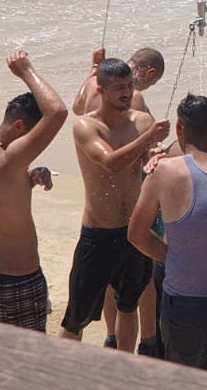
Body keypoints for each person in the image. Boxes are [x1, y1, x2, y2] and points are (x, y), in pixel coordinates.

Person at [129, 94, 207, 379]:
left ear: (179, 127)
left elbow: (136, 234)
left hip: (189, 303)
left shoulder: (162, 171)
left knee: (187, 382)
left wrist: (175, 257)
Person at [61, 58, 170, 347]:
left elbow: (147, 162)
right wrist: (147, 139)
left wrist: (156, 155)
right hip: (98, 234)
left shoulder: (142, 121)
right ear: (101, 89)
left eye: (130, 86)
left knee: (129, 306)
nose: (126, 93)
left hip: (134, 233)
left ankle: (124, 374)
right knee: (76, 317)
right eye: (119, 87)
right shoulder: (86, 127)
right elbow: (110, 162)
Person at [0, 50, 68, 332]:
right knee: (26, 361)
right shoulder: (10, 158)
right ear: (20, 127)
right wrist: (25, 70)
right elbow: (58, 112)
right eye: (31, 135)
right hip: (14, 281)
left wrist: (27, 179)